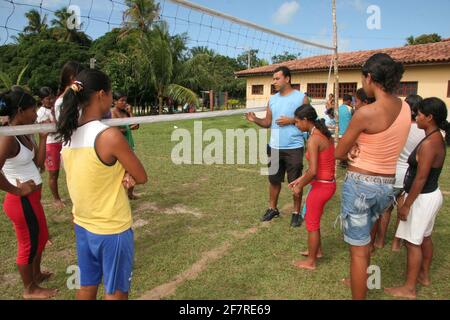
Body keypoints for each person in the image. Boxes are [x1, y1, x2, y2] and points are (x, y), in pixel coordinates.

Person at [56, 69, 148, 300]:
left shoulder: (68, 134)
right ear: (100, 95)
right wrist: (130, 173)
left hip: (82, 224)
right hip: (111, 228)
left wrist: (123, 172)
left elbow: (93, 173)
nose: (112, 98)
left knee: (87, 286)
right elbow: (142, 176)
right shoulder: (109, 136)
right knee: (116, 292)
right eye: (110, 93)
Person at [335, 53, 411, 300]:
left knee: (358, 250)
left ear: (369, 77)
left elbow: (339, 152)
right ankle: (358, 280)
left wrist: (352, 146)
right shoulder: (406, 107)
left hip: (361, 185)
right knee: (365, 240)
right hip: (387, 187)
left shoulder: (366, 113)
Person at [385, 98, 449, 299]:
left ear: (429, 117)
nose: (416, 117)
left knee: (413, 242)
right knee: (425, 238)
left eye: (419, 114)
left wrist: (406, 205)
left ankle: (409, 288)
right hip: (428, 195)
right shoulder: (433, 136)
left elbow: (421, 178)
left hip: (422, 197)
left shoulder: (431, 142)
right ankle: (424, 276)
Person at [0, 90, 57, 299]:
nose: (36, 113)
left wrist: (42, 140)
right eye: (32, 110)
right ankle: (29, 289)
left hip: (32, 199)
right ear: (19, 111)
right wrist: (17, 190)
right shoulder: (8, 136)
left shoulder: (24, 131)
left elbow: (38, 164)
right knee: (28, 244)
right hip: (20, 201)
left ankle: (36, 275)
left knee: (40, 238)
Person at [246, 66, 309, 228]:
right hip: (273, 147)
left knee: (295, 182)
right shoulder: (272, 99)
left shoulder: (301, 98)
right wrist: (255, 120)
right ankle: (272, 209)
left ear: (287, 79)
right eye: (273, 79)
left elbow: (309, 122)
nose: (274, 82)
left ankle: (296, 213)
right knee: (274, 180)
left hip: (294, 147)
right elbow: (267, 123)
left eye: (277, 78)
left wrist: (291, 120)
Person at [371, 95, 424, 252]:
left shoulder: (398, 126)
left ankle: (379, 241)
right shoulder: (423, 131)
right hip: (410, 176)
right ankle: (396, 243)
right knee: (402, 210)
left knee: (385, 210)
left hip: (393, 173)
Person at [289, 105, 336, 270]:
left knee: (311, 223)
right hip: (325, 184)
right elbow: (316, 168)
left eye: (297, 122)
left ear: (305, 120)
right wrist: (299, 179)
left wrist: (300, 186)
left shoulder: (313, 139)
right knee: (312, 218)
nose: (296, 125)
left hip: (322, 186)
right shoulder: (321, 133)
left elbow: (314, 170)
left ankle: (311, 261)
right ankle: (317, 251)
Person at [36, 87, 65, 209]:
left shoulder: (55, 108)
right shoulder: (41, 113)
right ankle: (56, 199)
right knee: (53, 173)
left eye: (52, 97)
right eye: (48, 99)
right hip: (50, 144)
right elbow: (48, 130)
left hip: (61, 141)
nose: (51, 100)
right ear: (42, 100)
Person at [112, 92, 140, 200]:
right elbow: (116, 130)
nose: (124, 103)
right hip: (119, 146)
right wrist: (129, 126)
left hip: (129, 144)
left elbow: (136, 125)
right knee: (119, 171)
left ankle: (130, 193)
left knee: (132, 169)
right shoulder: (113, 113)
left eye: (125, 101)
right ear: (115, 101)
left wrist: (131, 113)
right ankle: (117, 195)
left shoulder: (126, 112)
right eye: (121, 100)